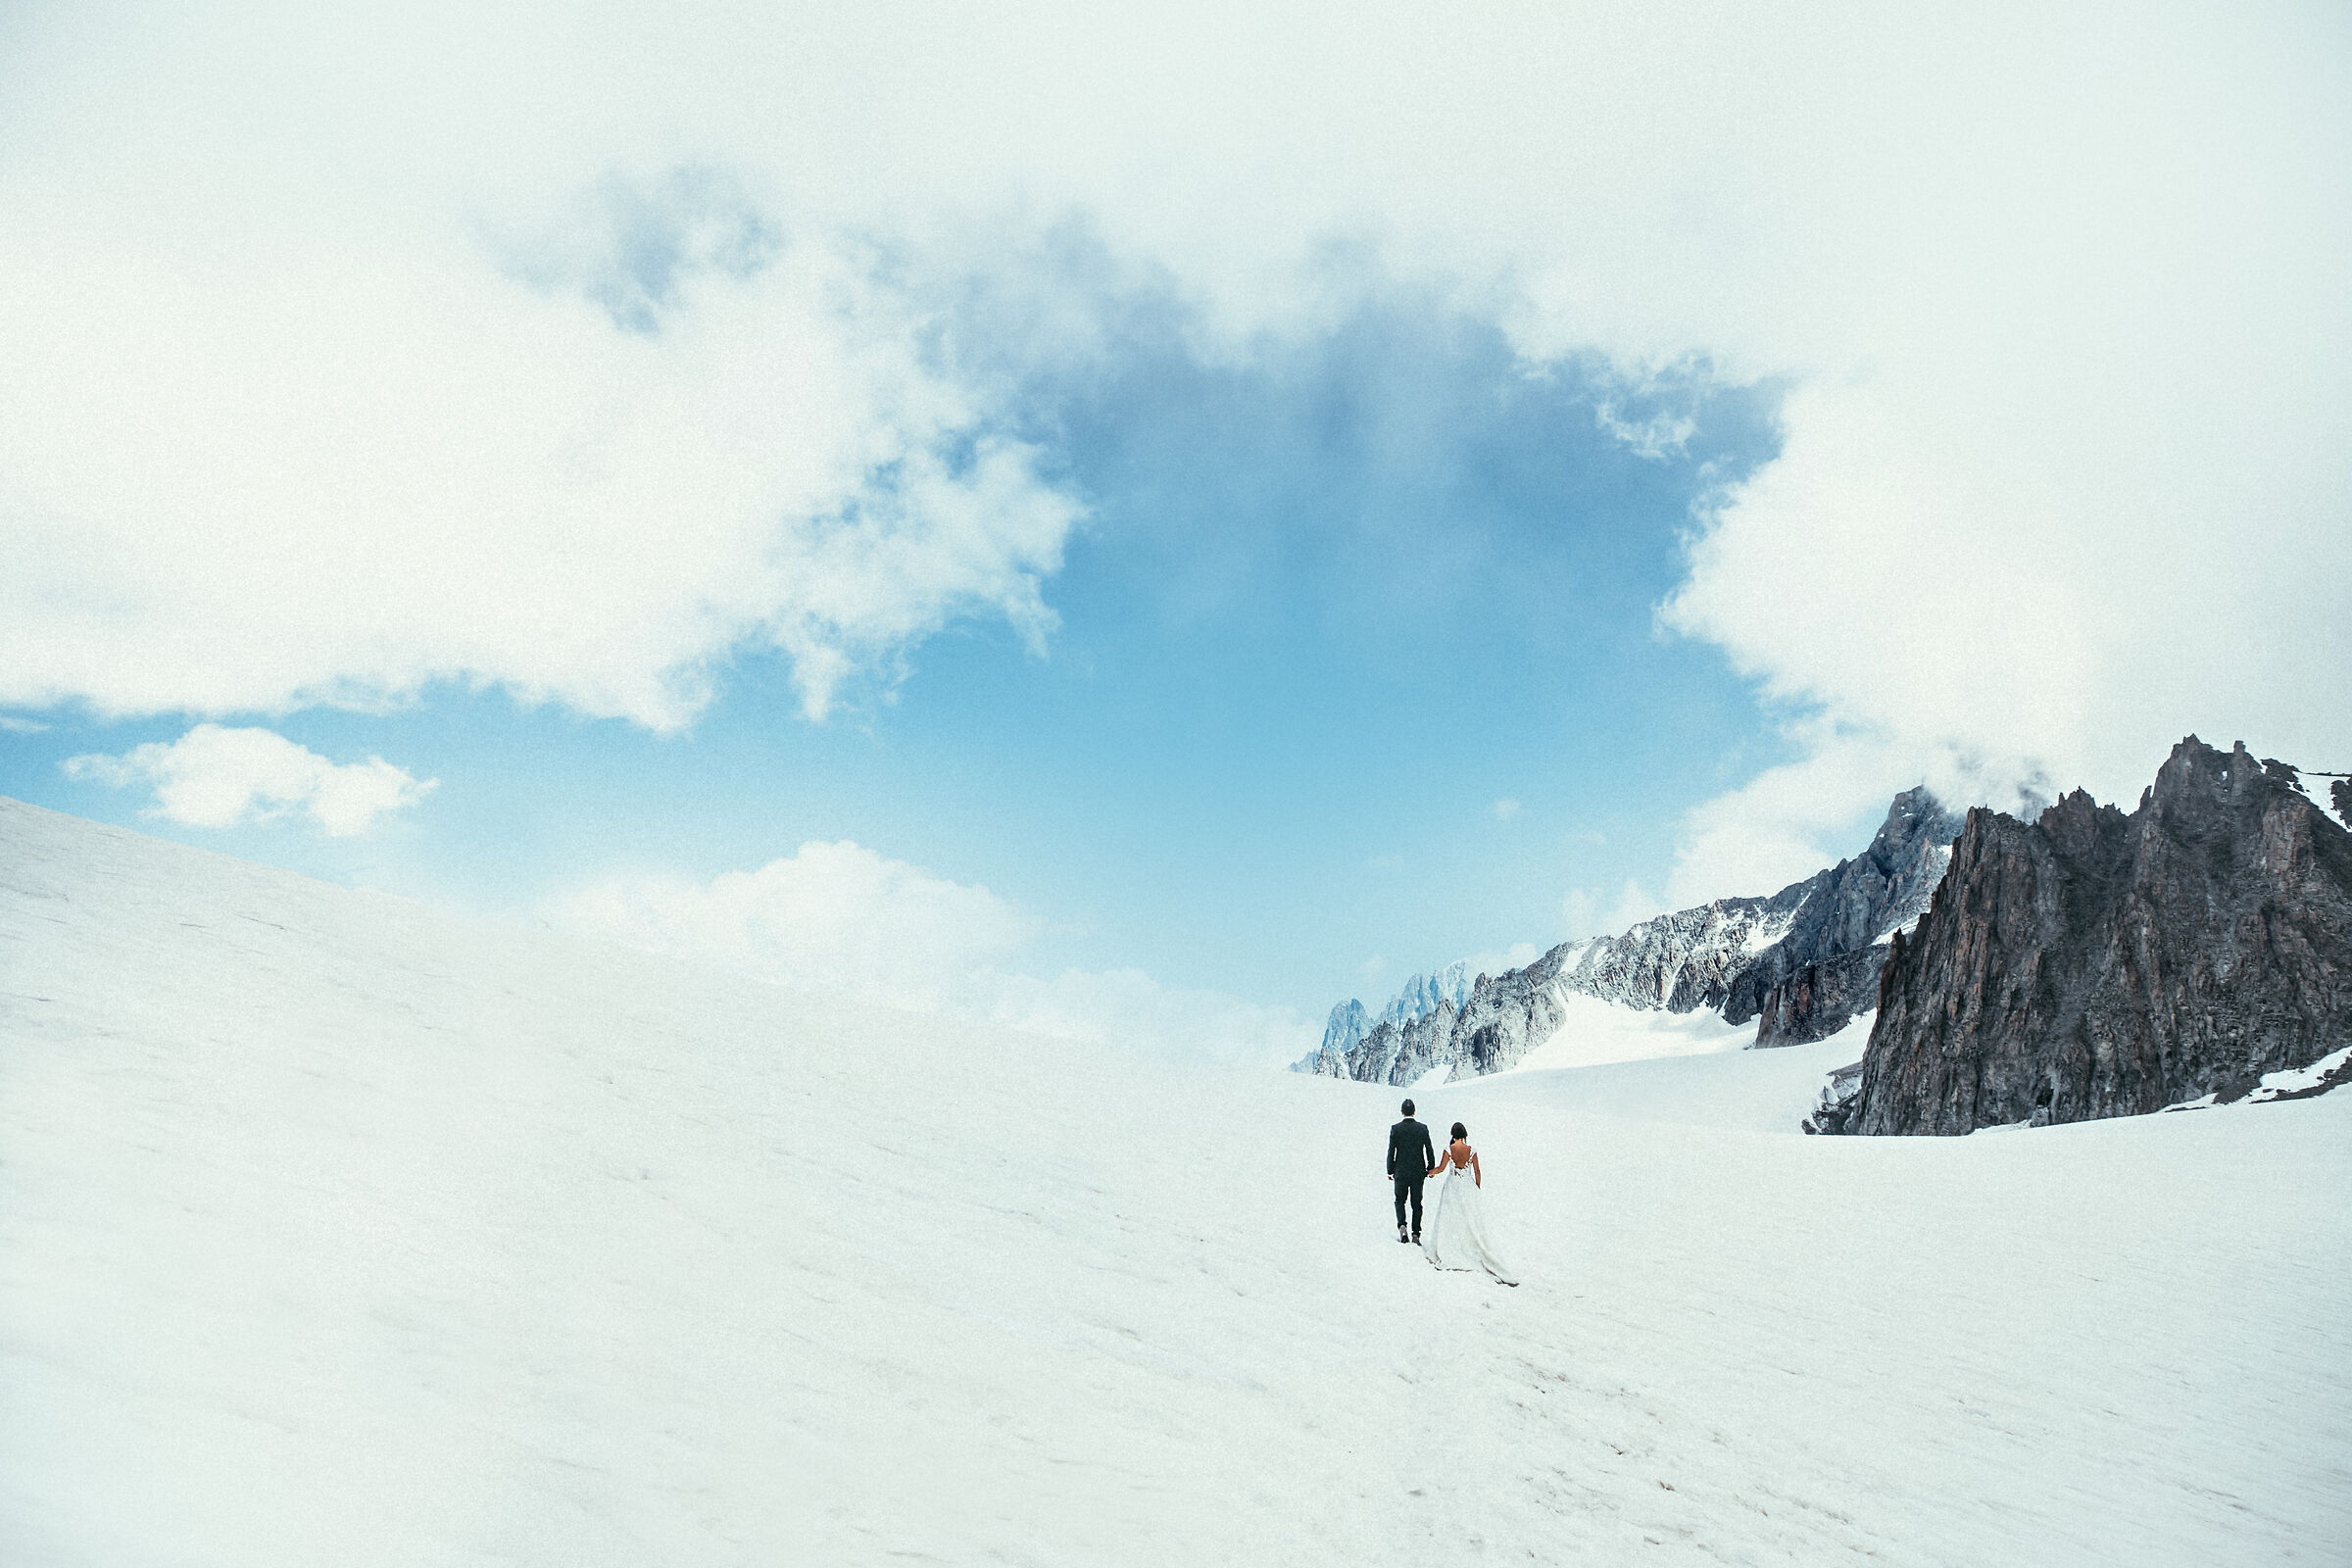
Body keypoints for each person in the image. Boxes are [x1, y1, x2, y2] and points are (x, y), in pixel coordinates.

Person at [1422, 1121, 1517, 1285]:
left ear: (1453, 1134)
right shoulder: (1471, 1150)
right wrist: (1476, 1187)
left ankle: (1451, 1247)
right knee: (1469, 1220)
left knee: (1451, 1218)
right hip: (1467, 1187)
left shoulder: (1449, 1150)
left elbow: (1441, 1168)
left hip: (1452, 1186)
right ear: (1465, 1134)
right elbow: (1477, 1171)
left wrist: (1430, 1173)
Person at [1386, 1099, 1436, 1245]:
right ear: (1414, 1112)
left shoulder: (1396, 1129)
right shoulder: (1422, 1128)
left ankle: (1402, 1227)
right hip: (1418, 1171)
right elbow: (1429, 1149)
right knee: (1417, 1203)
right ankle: (1416, 1233)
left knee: (1400, 1200)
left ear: (1402, 1112)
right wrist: (1430, 1168)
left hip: (1400, 1171)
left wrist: (1390, 1170)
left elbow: (1391, 1151)